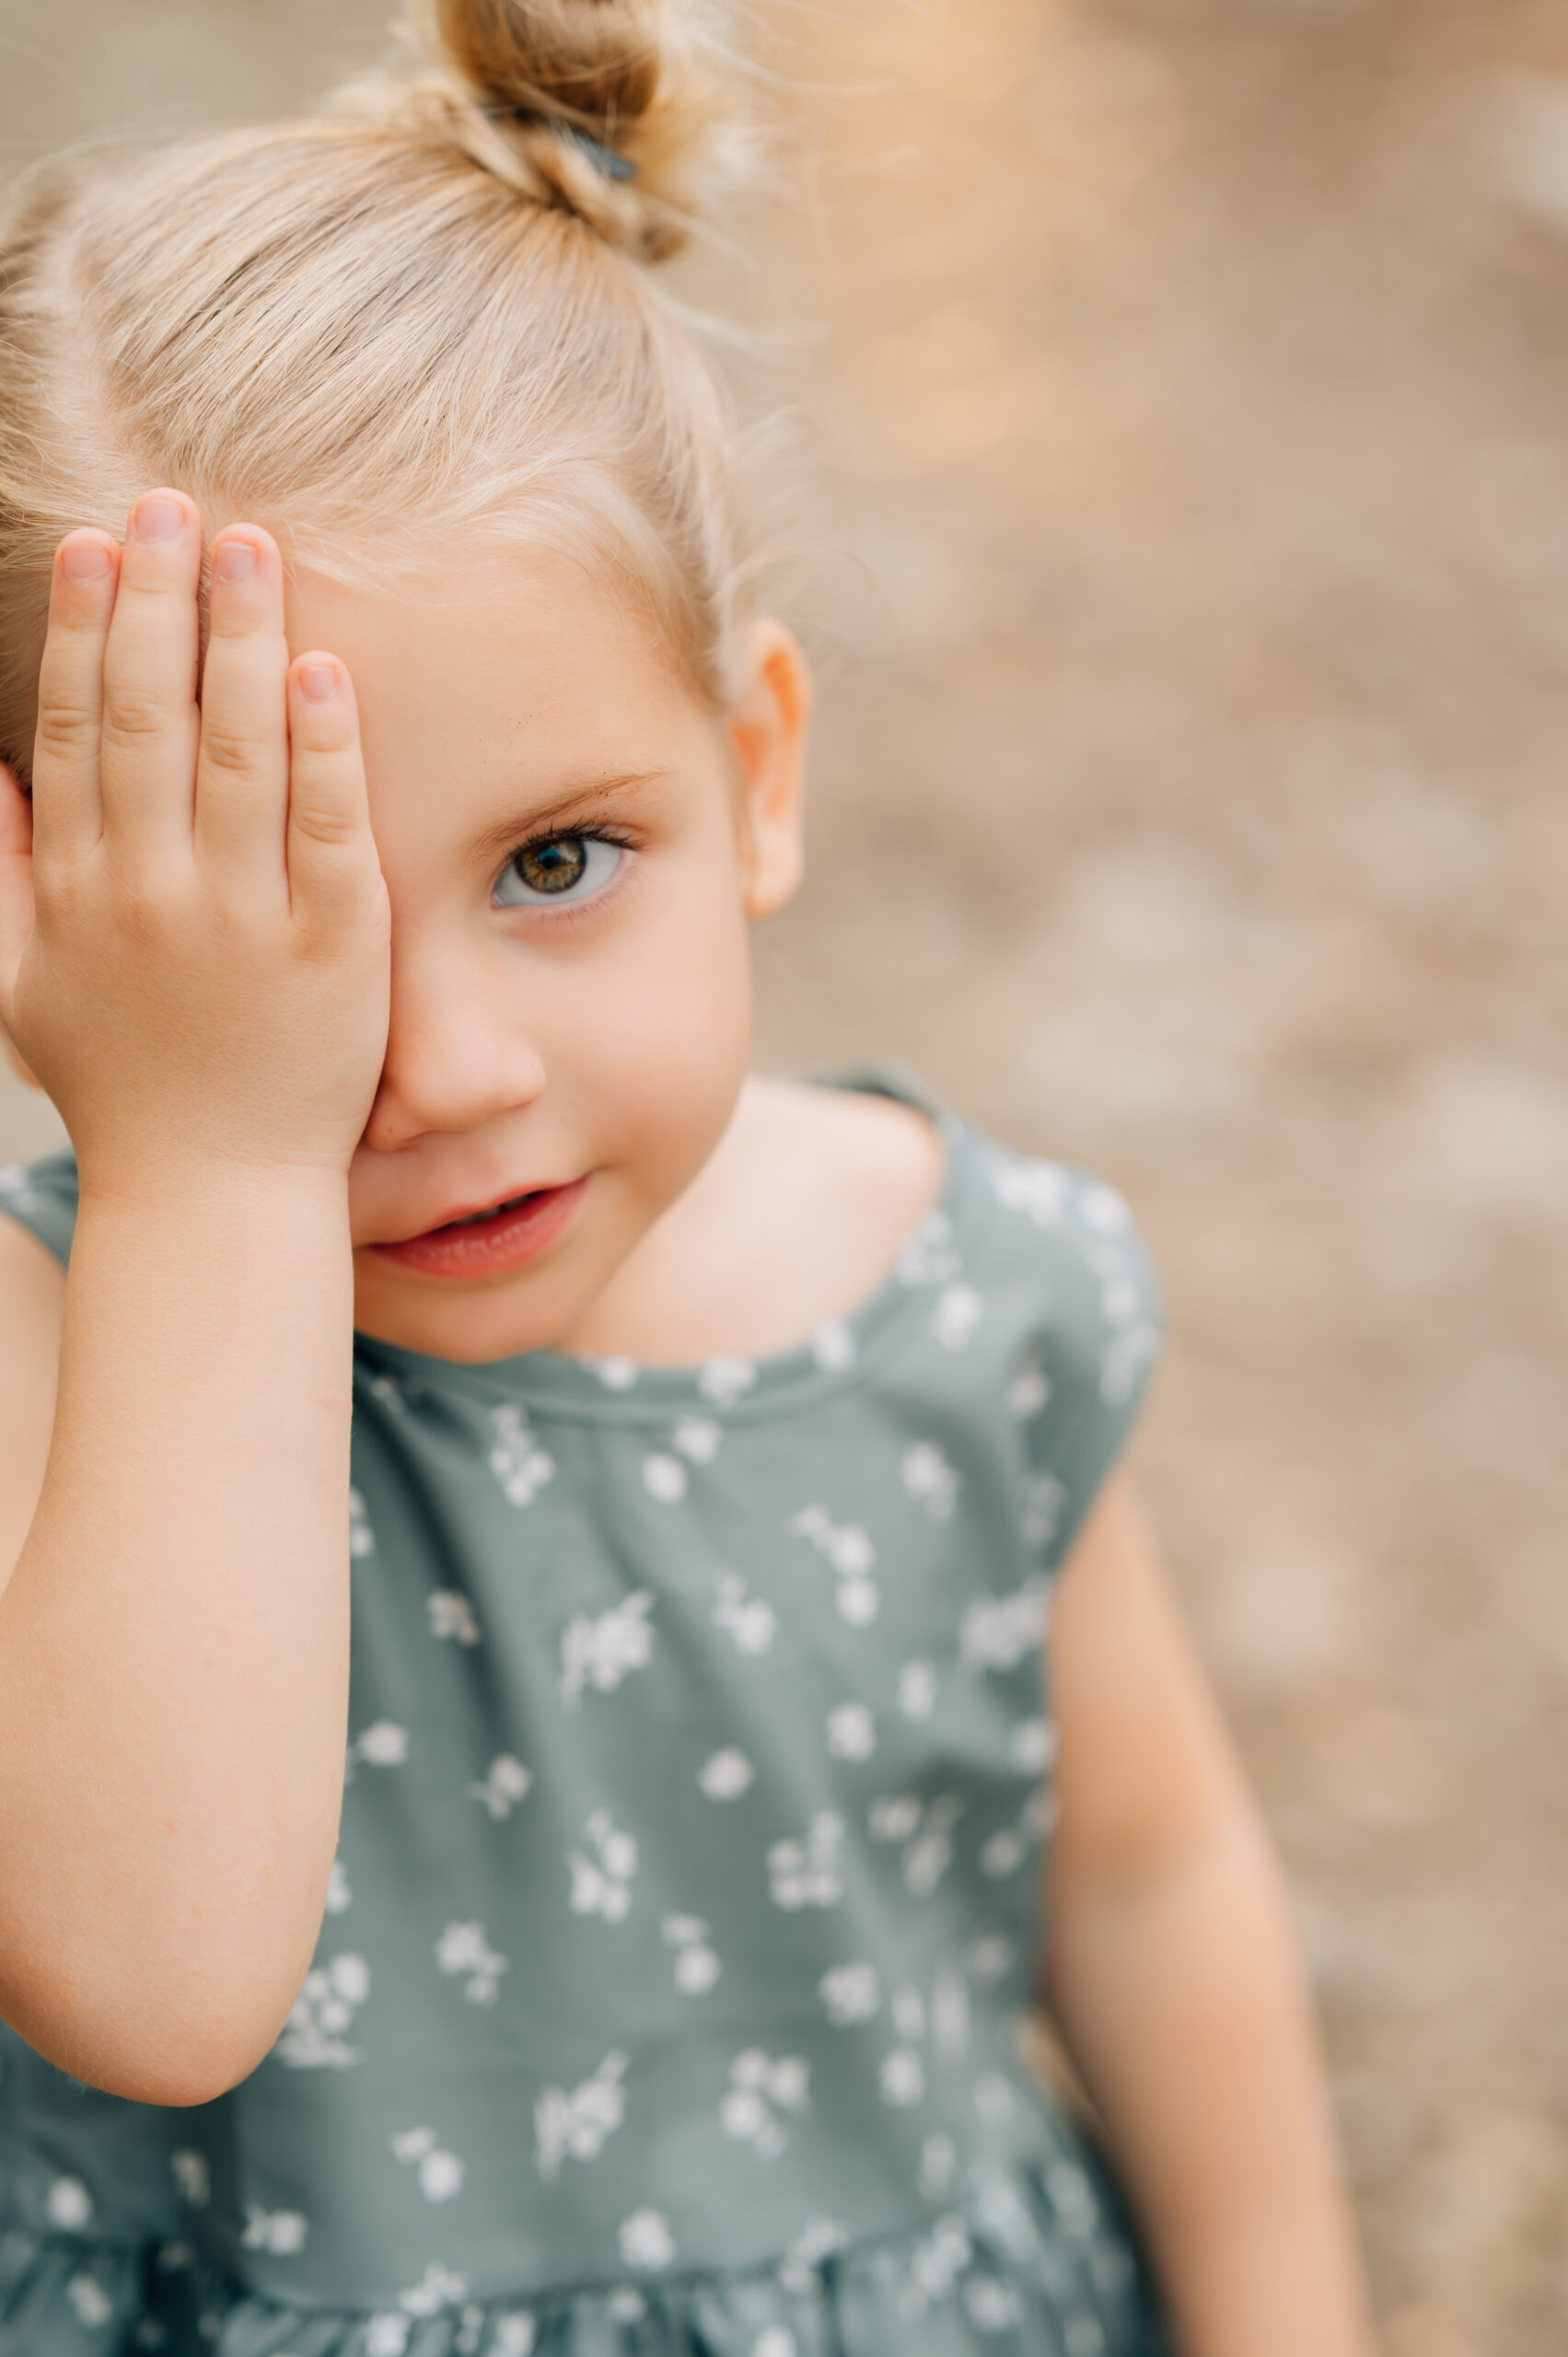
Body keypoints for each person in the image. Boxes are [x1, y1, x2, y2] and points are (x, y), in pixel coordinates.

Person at [0, 4, 1372, 2351]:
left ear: (753, 765)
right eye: (282, 939)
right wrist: (209, 1155)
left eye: (555, 857)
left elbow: (1146, 1881)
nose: (436, 1067)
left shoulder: (958, 1292)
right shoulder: (51, 1351)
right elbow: (157, 1971)